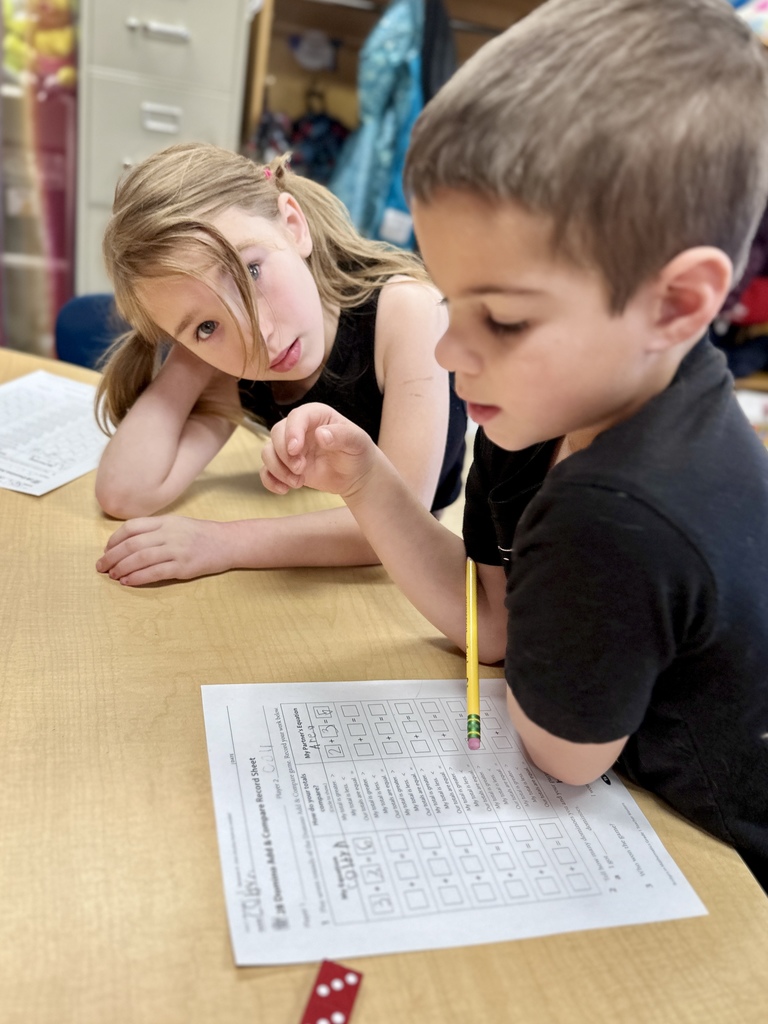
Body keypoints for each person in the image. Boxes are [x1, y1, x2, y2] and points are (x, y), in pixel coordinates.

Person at [259, 0, 768, 892]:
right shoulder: (559, 402)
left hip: (726, 873)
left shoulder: (613, 511)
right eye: (450, 300)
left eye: (501, 317)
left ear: (678, 304)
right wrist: (366, 480)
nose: (451, 351)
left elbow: (564, 758)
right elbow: (490, 624)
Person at [93, 142, 466, 583]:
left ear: (293, 225)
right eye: (208, 327)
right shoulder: (230, 363)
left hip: (425, 568)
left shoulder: (407, 311)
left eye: (251, 272)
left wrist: (223, 543)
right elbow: (124, 491)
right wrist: (192, 348)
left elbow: (401, 522)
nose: (259, 336)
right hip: (320, 542)